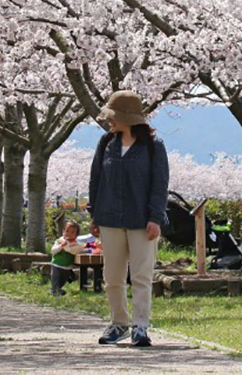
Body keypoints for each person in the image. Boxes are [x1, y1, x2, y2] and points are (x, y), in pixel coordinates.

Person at [88, 90, 169, 348]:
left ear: (128, 118)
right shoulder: (106, 143)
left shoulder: (153, 147)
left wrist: (155, 217)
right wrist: (95, 215)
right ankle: (119, 323)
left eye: (114, 116)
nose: (109, 121)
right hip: (109, 218)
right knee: (112, 276)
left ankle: (140, 327)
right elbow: (96, 180)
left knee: (141, 276)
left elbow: (160, 183)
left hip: (142, 220)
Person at [50, 220, 86, 296]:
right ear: (63, 232)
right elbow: (53, 251)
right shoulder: (60, 241)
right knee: (56, 279)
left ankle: (58, 289)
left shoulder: (75, 244)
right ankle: (55, 290)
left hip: (67, 266)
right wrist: (61, 246)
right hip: (57, 264)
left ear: (76, 235)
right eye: (67, 231)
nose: (69, 234)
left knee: (63, 279)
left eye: (72, 232)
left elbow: (77, 250)